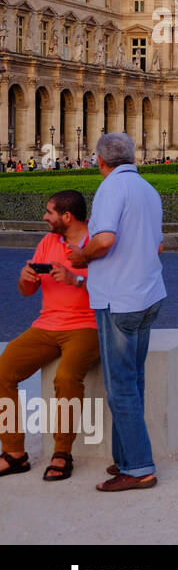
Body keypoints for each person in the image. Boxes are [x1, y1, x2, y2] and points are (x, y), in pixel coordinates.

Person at [67, 133, 166, 491]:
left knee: (120, 386)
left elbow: (105, 239)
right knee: (134, 380)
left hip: (119, 299)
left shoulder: (111, 189)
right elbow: (158, 243)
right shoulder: (148, 190)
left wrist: (82, 256)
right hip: (148, 295)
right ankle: (125, 458)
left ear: (99, 160)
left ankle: (139, 468)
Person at [0, 191, 100, 480]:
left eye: (49, 212)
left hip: (87, 326)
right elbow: (27, 291)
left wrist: (75, 279)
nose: (44, 217)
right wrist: (25, 279)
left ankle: (62, 452)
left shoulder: (97, 243)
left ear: (66, 217)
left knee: (66, 377)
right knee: (4, 370)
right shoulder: (47, 242)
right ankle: (14, 453)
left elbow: (114, 290)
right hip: (46, 326)